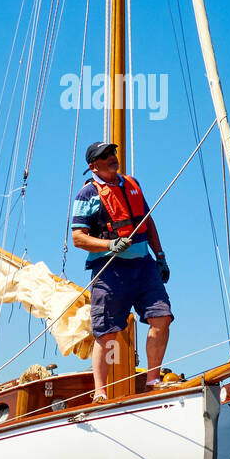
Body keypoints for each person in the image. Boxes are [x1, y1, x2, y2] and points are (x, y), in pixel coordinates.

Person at [71, 140, 173, 403]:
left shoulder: (133, 184)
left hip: (143, 266)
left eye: (113, 153)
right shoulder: (87, 194)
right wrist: (109, 244)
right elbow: (78, 238)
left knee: (162, 317)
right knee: (107, 333)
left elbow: (148, 223)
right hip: (109, 271)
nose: (112, 157)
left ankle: (153, 380)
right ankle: (100, 393)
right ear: (93, 165)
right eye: (105, 156)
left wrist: (160, 257)